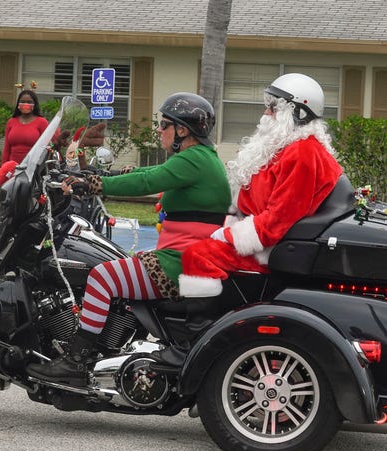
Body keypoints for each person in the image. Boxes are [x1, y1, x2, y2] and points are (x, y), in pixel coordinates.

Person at [26, 93, 232, 386]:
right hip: (186, 255)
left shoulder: (194, 160)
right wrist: (93, 173)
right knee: (117, 263)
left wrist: (94, 184)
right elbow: (147, 172)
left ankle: (76, 360)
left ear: (183, 130)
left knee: (102, 276)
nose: (159, 130)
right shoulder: (197, 159)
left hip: (181, 262)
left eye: (164, 125)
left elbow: (147, 182)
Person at [172, 73, 342, 364]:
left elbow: (278, 220)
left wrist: (225, 235)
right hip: (260, 233)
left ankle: (195, 339)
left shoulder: (303, 154)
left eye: (273, 107)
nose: (265, 114)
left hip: (272, 246)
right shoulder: (292, 147)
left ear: (297, 113)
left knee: (196, 256)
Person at [1, 84, 49, 165]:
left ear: (35, 104)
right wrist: (3, 167)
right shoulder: (11, 122)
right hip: (12, 167)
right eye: (22, 102)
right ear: (18, 104)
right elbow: (6, 149)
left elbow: (46, 148)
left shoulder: (42, 122)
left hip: (33, 167)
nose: (26, 104)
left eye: (29, 102)